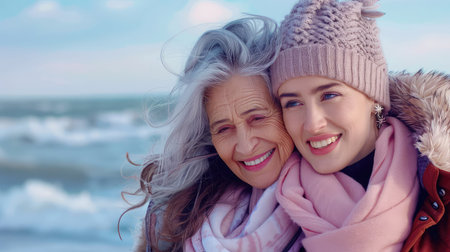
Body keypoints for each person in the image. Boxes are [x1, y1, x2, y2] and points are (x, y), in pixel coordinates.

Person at [269, 0, 450, 251]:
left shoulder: (441, 187)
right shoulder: (268, 209)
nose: (312, 124)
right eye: (292, 103)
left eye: (329, 95)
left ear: (374, 98)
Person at [129, 16, 302, 251]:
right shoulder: (176, 217)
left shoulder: (349, 204)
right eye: (223, 128)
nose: (245, 146)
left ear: (287, 106)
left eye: (258, 118)